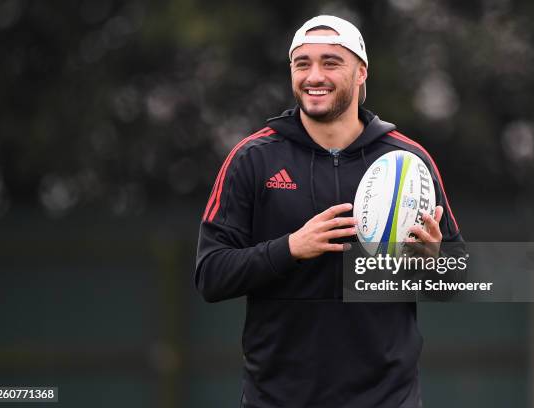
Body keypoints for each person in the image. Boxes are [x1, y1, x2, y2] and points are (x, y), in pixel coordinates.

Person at [195, 15, 464, 408]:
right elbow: (210, 275)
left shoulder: (407, 162)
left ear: (360, 73)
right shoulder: (252, 159)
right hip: (278, 399)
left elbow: (458, 280)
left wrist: (432, 262)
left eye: (330, 62)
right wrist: (290, 248)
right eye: (302, 63)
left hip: (388, 399)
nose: (314, 75)